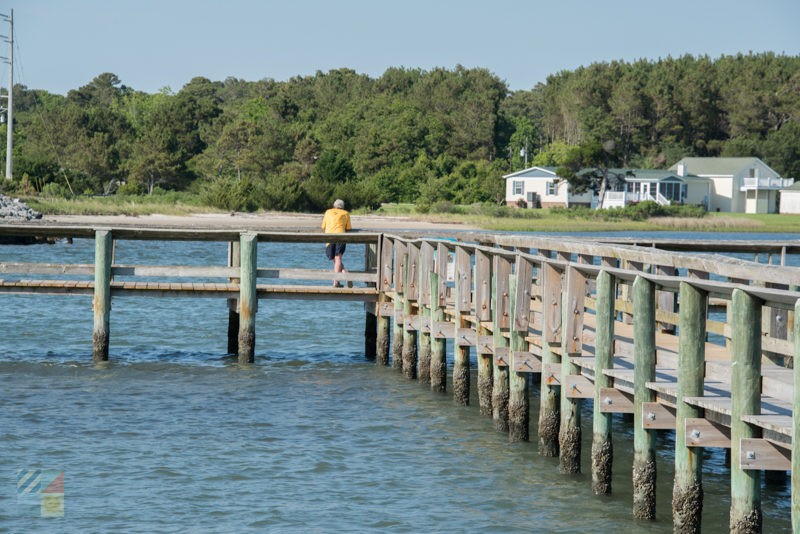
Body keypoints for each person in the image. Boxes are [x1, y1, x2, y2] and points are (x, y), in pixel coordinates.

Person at [321, 199, 352, 288]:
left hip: (329, 237)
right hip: (341, 236)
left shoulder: (327, 212)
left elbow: (323, 226)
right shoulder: (345, 213)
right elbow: (348, 228)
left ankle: (336, 281)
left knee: (335, 259)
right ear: (342, 207)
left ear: (334, 206)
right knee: (338, 258)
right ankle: (343, 274)